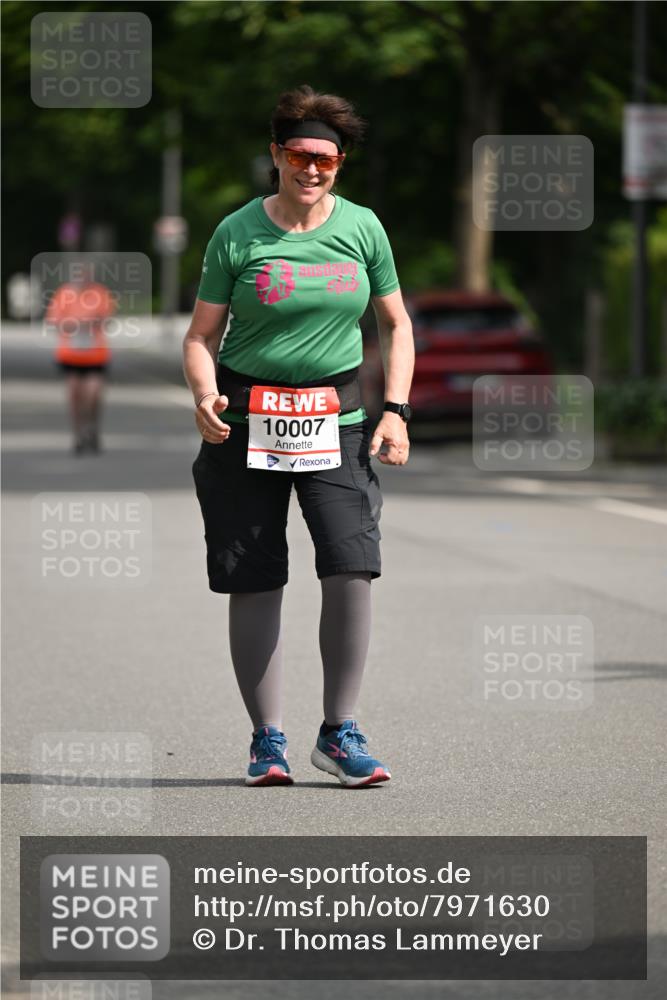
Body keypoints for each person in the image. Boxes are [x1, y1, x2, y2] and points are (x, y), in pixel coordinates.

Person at [183, 84, 414, 788]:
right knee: (254, 577)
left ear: (339, 165)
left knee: (351, 565)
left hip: (336, 423)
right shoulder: (238, 232)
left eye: (327, 159)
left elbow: (396, 325)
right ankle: (266, 740)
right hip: (246, 419)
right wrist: (202, 393)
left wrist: (396, 410)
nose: (312, 169)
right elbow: (200, 337)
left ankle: (338, 732)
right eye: (300, 154)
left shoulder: (362, 229)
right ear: (276, 155)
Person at [46, 262, 114, 454]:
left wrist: (84, 322)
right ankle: (78, 434)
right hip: (71, 354)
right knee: (74, 395)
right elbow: (54, 320)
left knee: (93, 394)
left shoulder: (99, 293)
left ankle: (92, 428)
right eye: (79, 273)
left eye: (86, 273)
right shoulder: (64, 294)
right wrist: (78, 323)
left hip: (95, 355)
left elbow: (106, 317)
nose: (83, 277)